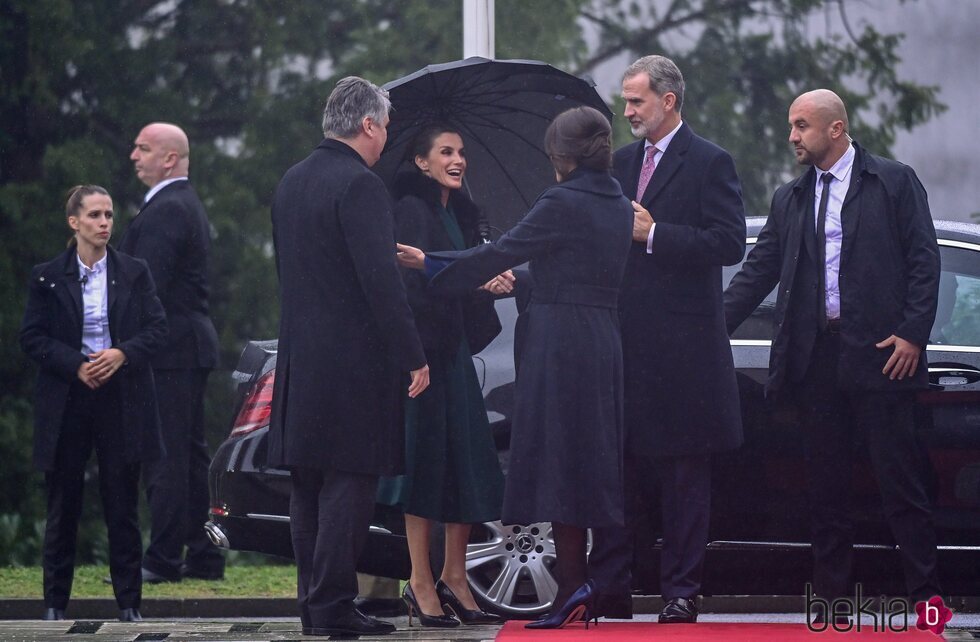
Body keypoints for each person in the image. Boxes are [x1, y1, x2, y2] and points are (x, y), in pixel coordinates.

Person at [397, 106, 633, 629]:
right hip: (601, 339)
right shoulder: (618, 202)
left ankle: (575, 586)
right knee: (584, 462)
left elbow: (502, 250)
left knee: (557, 459)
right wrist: (519, 277)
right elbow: (568, 268)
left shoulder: (561, 199)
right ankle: (575, 587)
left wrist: (430, 263)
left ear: (559, 156)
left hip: (559, 342)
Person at [724, 89, 942, 617]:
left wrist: (913, 334)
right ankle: (831, 599)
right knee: (826, 488)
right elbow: (758, 272)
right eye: (791, 126)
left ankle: (926, 597)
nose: (792, 136)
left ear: (836, 129)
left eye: (801, 126)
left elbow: (924, 258)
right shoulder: (791, 197)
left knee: (900, 483)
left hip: (882, 354)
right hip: (816, 360)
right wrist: (708, 327)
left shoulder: (892, 180)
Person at [268, 76, 430, 638]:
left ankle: (314, 605)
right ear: (366, 125)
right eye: (384, 126)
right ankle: (335, 604)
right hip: (352, 364)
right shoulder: (360, 186)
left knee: (308, 487)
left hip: (300, 359)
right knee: (348, 482)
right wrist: (413, 355)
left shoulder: (291, 181)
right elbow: (380, 284)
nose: (386, 137)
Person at [588, 54, 747, 624]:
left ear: (668, 100)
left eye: (636, 101)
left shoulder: (710, 162)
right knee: (620, 476)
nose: (626, 111)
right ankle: (610, 589)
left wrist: (656, 234)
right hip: (625, 348)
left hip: (684, 356)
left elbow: (730, 243)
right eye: (626, 101)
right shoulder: (619, 164)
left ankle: (681, 592)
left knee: (683, 482)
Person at [379, 125, 509, 628]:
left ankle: (456, 577)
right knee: (426, 466)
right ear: (421, 162)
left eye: (461, 153)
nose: (458, 161)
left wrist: (485, 281)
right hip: (427, 358)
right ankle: (419, 579)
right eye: (446, 153)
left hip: (455, 354)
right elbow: (412, 285)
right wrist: (417, 355)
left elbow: (456, 276)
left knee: (466, 464)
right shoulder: (411, 210)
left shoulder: (461, 211)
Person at [20, 185, 168, 622]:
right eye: (95, 215)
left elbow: (158, 330)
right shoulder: (47, 275)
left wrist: (121, 354)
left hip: (120, 397)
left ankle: (129, 604)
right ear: (75, 223)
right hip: (69, 398)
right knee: (63, 502)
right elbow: (32, 337)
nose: (105, 223)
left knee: (122, 502)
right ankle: (53, 603)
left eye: (108, 215)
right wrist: (74, 364)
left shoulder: (134, 272)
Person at [118, 122, 224, 583]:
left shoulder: (167, 209)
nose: (133, 155)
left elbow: (147, 287)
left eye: (143, 148)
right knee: (189, 454)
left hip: (170, 351)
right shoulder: (182, 204)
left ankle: (163, 557)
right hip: (187, 346)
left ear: (169, 159)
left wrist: (122, 345)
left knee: (165, 454)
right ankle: (202, 552)